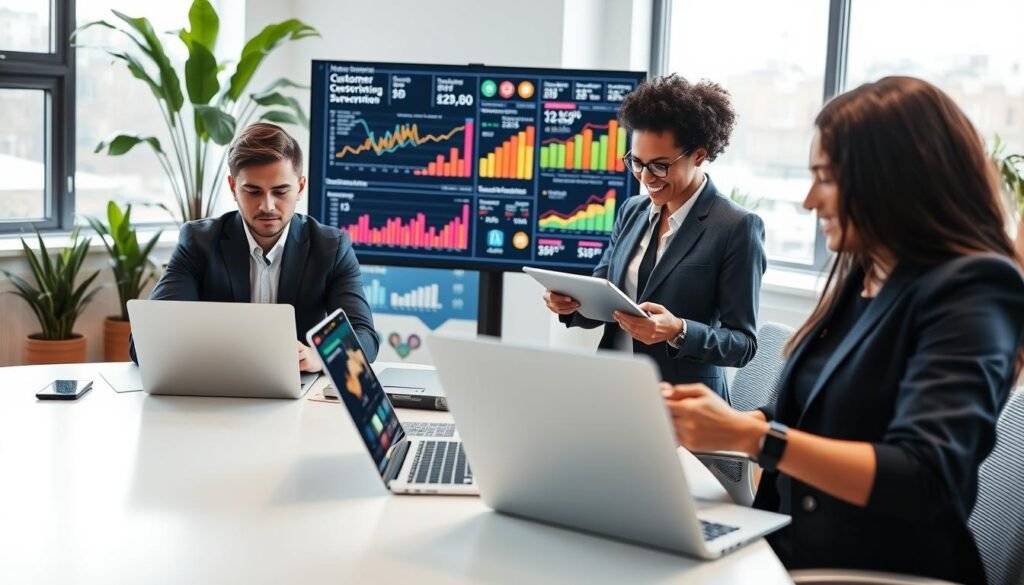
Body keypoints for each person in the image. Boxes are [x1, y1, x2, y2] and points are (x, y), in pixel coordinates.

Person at [661, 77, 1024, 584]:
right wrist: (720, 419)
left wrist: (755, 436)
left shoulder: (974, 287)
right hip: (791, 549)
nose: (810, 201)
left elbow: (925, 477)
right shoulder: (866, 274)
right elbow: (817, 415)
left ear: (894, 179)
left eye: (826, 178)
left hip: (873, 571)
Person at [544, 74, 766, 399]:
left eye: (660, 166)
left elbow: (743, 346)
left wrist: (678, 331)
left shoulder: (736, 227)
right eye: (637, 162)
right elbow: (605, 293)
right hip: (612, 392)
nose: (645, 177)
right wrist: (569, 305)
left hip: (683, 406)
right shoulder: (632, 211)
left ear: (699, 156)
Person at [129, 123, 379, 370]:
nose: (267, 206)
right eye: (253, 191)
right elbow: (143, 344)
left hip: (300, 391)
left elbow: (365, 336)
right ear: (233, 187)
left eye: (281, 191)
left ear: (300, 187)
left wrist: (319, 356)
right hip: (216, 387)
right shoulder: (198, 243)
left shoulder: (331, 248)